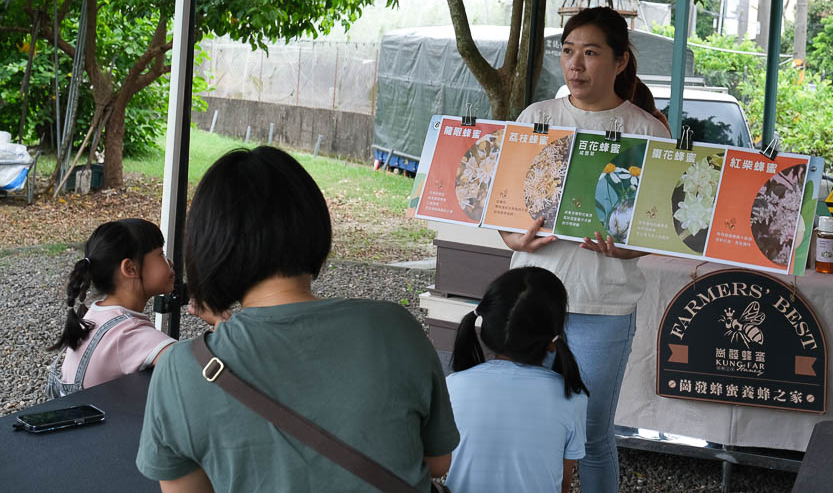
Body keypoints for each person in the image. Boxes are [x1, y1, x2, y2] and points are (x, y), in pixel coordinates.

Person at [136, 146, 459, 492]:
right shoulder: (395, 328)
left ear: (209, 245)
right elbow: (437, 461)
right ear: (313, 224)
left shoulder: (180, 371)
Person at [500, 6, 670, 492]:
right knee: (531, 425)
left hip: (603, 303)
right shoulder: (538, 118)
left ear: (620, 62)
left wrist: (628, 249)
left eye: (591, 53)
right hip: (532, 299)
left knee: (592, 435)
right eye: (568, 51)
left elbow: (657, 228)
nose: (575, 65)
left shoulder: (646, 131)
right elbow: (508, 208)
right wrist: (515, 239)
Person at [445, 267, 588, 493]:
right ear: (554, 337)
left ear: (486, 328)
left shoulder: (453, 386)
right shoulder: (571, 397)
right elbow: (563, 485)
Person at [46, 218, 176, 398]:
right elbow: (191, 367)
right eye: (160, 254)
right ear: (130, 268)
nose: (170, 262)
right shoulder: (129, 333)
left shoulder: (96, 313)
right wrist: (218, 319)